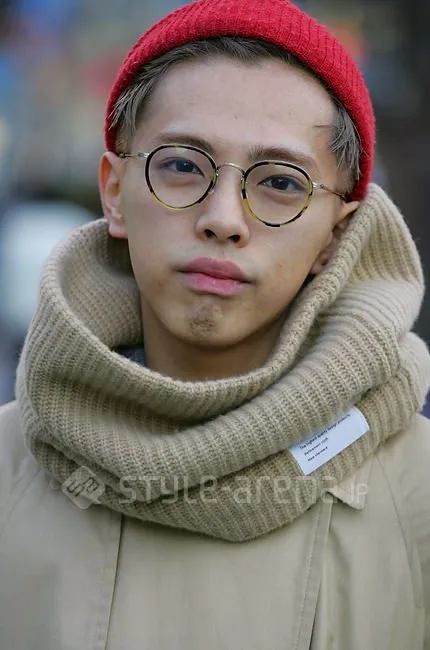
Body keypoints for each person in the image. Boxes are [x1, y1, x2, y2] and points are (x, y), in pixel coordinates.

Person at [1, 0, 429, 647]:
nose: (224, 218)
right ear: (114, 191)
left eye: (280, 182)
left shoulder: (419, 499)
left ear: (336, 235)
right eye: (182, 166)